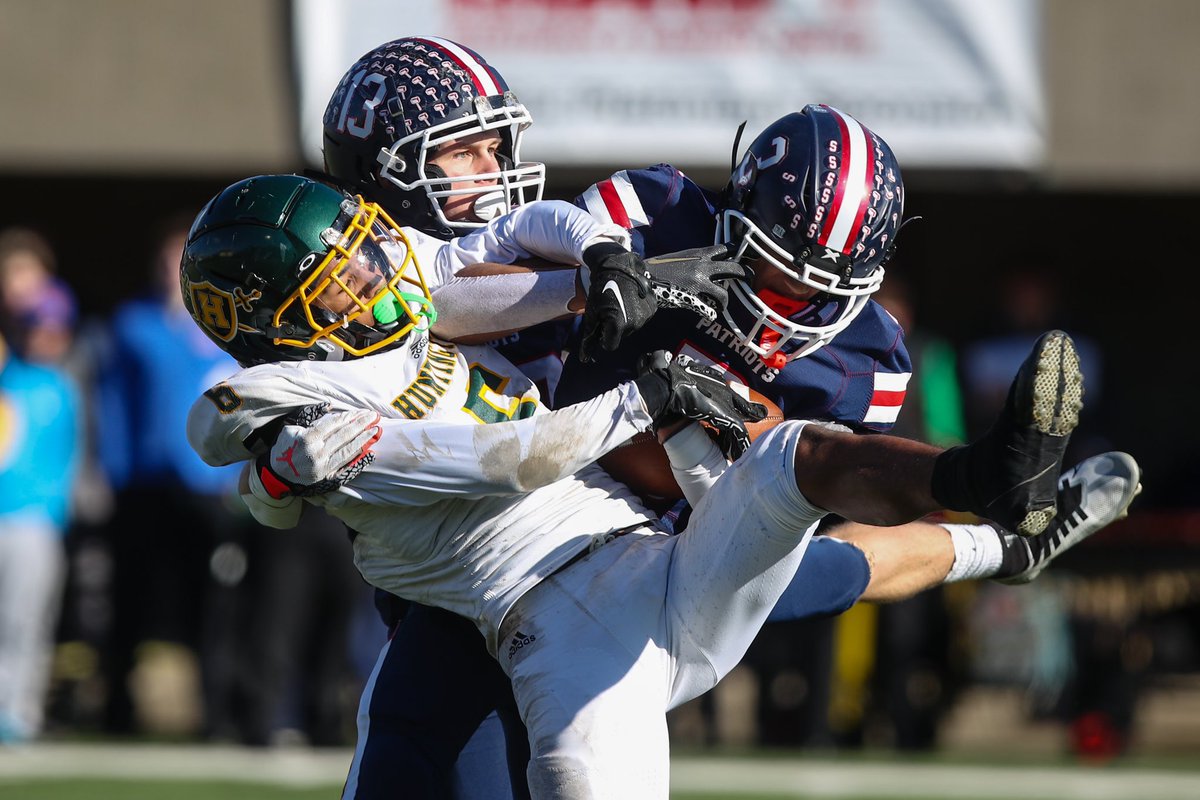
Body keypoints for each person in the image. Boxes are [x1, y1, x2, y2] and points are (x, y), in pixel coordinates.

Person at [315, 39, 1139, 798]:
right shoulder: (637, 217)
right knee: (425, 750)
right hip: (519, 535)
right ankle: (1012, 536)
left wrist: (702, 422)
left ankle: (989, 486)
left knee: (797, 485)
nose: (784, 308)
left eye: (815, 288)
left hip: (673, 563)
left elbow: (773, 527)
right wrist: (607, 305)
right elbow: (470, 331)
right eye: (773, 269)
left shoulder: (868, 356)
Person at [180, 171, 1092, 798]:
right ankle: (1007, 539)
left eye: (366, 251)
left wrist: (602, 261)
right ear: (275, 324)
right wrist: (271, 473)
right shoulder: (292, 408)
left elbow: (500, 247)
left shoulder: (389, 306)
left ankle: (992, 485)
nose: (378, 273)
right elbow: (503, 462)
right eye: (343, 281)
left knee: (795, 460)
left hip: (646, 541)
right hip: (551, 614)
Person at [0, 323, 81, 744]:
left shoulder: (60, 387)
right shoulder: (8, 380)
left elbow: (70, 457)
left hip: (35, 520)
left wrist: (56, 513)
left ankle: (18, 714)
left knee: (25, 621)